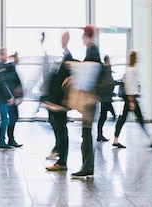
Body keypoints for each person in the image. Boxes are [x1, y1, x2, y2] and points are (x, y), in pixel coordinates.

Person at [66, 25, 102, 178]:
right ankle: (87, 166)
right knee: (86, 133)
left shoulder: (92, 50)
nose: (82, 38)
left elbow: (90, 73)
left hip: (90, 100)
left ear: (87, 36)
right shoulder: (92, 50)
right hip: (90, 99)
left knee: (86, 134)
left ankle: (87, 167)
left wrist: (74, 68)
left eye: (83, 35)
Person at [113, 51, 152, 149]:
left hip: (131, 98)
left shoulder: (130, 69)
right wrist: (131, 101)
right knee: (139, 119)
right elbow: (129, 85)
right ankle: (151, 140)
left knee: (123, 119)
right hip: (131, 98)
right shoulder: (131, 70)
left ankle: (116, 139)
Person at [43, 31, 72, 171]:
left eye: (64, 38)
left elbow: (65, 80)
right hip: (56, 103)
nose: (62, 40)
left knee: (61, 131)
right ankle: (60, 155)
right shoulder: (63, 58)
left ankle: (62, 161)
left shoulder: (68, 58)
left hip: (60, 104)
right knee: (59, 130)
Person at [0, 48, 21, 150]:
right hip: (0, 97)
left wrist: (14, 60)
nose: (6, 56)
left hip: (2, 97)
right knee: (5, 119)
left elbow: (9, 67)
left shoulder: (2, 65)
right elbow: (1, 82)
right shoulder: (0, 65)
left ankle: (4, 141)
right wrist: (10, 96)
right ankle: (1, 142)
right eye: (5, 55)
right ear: (1, 55)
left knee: (6, 119)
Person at [96, 55, 116, 142]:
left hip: (105, 96)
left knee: (103, 115)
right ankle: (100, 134)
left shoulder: (106, 69)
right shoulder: (107, 69)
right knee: (103, 115)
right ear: (107, 61)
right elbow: (108, 82)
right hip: (105, 96)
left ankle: (100, 134)